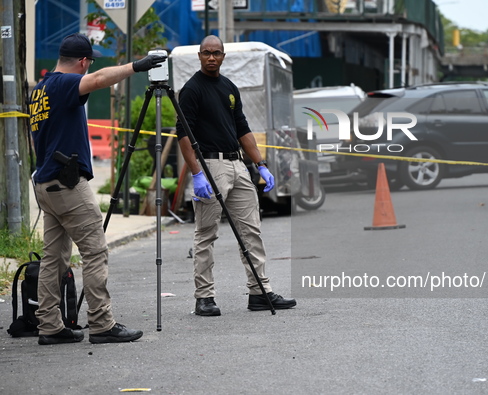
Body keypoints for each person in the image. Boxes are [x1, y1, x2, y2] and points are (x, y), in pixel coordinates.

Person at [29, 33, 166, 345]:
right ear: (83, 61)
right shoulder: (65, 84)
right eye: (88, 64)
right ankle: (102, 323)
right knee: (95, 250)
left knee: (54, 258)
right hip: (66, 184)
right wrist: (137, 65)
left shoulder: (39, 90)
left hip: (45, 182)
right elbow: (99, 79)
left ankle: (49, 325)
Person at [175, 35, 297, 316]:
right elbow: (183, 134)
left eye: (216, 53)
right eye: (206, 53)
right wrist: (197, 174)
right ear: (199, 55)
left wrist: (260, 164)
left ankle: (260, 292)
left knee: (251, 231)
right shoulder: (191, 90)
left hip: (238, 165)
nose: (211, 58)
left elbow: (242, 128)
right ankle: (204, 297)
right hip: (210, 166)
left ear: (223, 56)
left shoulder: (229, 88)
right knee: (206, 234)